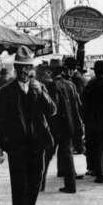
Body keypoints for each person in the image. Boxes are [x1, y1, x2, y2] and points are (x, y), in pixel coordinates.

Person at [0, 46, 57, 205]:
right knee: (19, 184)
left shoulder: (40, 87)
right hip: (16, 145)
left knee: (36, 182)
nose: (24, 73)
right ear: (16, 69)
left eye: (28, 69)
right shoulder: (5, 92)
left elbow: (52, 110)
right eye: (20, 68)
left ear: (32, 70)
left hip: (38, 144)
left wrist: (41, 93)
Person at [40, 59, 83, 193]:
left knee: (46, 155)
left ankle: (39, 184)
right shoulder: (71, 85)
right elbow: (77, 107)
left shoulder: (52, 85)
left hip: (54, 127)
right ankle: (71, 186)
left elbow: (51, 108)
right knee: (67, 155)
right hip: (69, 126)